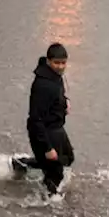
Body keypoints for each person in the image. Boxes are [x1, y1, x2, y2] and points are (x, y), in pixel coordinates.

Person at [12, 43, 74, 199]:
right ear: (48, 61)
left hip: (56, 128)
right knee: (55, 174)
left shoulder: (54, 77)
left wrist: (64, 102)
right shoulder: (43, 85)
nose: (60, 66)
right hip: (44, 132)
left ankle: (22, 164)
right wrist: (47, 148)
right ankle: (47, 205)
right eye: (57, 63)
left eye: (63, 62)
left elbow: (56, 96)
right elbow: (35, 119)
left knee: (68, 158)